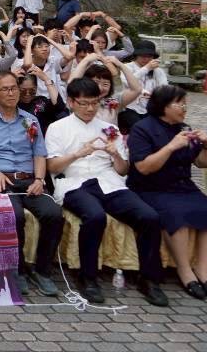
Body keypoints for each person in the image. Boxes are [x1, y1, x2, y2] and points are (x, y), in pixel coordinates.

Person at [45, 78, 168, 307]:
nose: (90, 108)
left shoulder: (109, 129)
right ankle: (88, 277)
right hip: (74, 182)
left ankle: (149, 279)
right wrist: (78, 153)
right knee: (95, 216)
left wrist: (116, 154)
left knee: (149, 217)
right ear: (71, 102)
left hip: (108, 182)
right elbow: (52, 167)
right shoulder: (57, 128)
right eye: (83, 103)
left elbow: (123, 170)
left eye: (94, 103)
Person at [127, 85, 207, 301]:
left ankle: (203, 270)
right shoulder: (142, 128)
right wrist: (171, 147)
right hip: (151, 187)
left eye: (185, 104)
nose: (184, 108)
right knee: (176, 216)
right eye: (179, 104)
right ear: (163, 106)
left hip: (183, 186)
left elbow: (202, 163)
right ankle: (185, 270)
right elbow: (143, 167)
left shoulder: (184, 128)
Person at [0, 71, 62, 297]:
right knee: (15, 215)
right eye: (5, 89)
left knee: (54, 214)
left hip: (29, 179)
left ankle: (42, 271)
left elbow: (39, 154)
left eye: (14, 88)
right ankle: (17, 270)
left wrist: (39, 179)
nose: (11, 93)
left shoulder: (30, 121)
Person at [120, 39, 168, 133]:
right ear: (136, 55)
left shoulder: (158, 71)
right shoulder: (127, 67)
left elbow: (164, 88)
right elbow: (127, 82)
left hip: (150, 108)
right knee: (140, 129)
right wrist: (146, 68)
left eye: (149, 56)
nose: (146, 59)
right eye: (142, 55)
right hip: (130, 107)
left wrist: (156, 94)